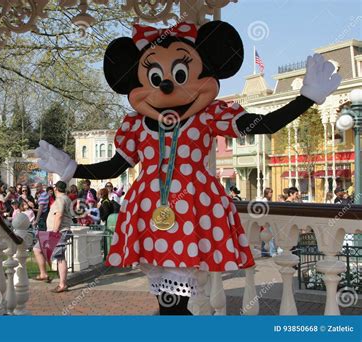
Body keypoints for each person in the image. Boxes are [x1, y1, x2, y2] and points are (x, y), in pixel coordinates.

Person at [35, 20, 340, 314]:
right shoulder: (136, 126)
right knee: (169, 301)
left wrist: (305, 99)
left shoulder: (208, 115)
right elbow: (116, 166)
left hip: (193, 213)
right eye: (155, 77)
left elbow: (262, 125)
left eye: (180, 73)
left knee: (174, 302)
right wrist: (74, 168)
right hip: (151, 216)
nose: (166, 83)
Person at [48, 181, 73, 293]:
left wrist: (54, 231)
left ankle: (62, 284)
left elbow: (59, 215)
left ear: (55, 189)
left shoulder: (60, 200)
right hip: (62, 230)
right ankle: (45, 274)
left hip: (60, 231)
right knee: (38, 249)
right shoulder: (67, 198)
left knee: (60, 257)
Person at [260, 188, 277, 257]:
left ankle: (264, 252)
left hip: (269, 220)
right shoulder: (264, 201)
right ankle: (272, 252)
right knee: (270, 236)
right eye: (270, 192)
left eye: (272, 192)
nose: (271, 194)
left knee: (266, 236)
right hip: (267, 221)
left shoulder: (269, 200)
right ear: (266, 193)